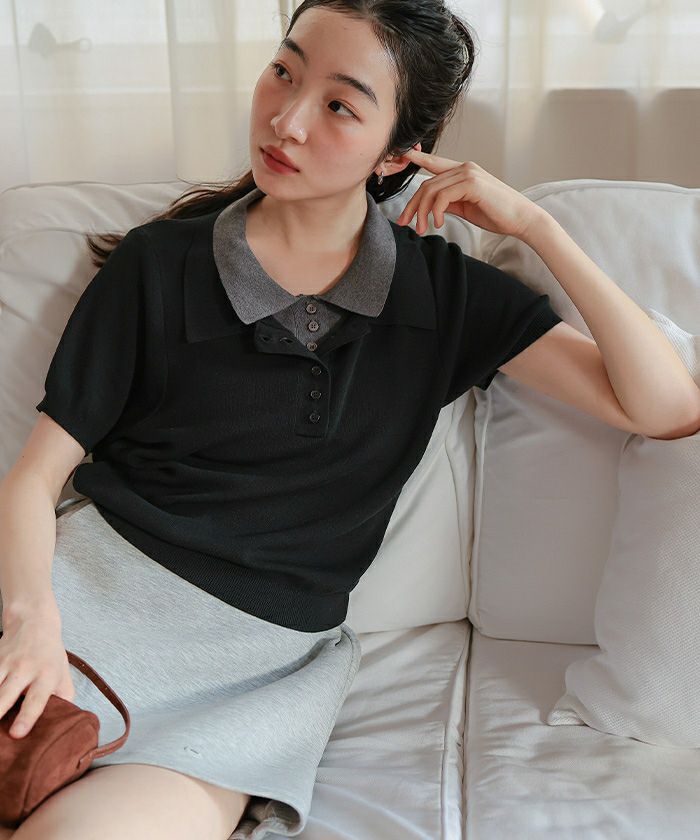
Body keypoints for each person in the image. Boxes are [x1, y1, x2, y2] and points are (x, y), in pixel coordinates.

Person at [0, 2, 562, 838]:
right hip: (76, 602)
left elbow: (666, 408)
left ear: (398, 153)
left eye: (338, 104)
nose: (286, 119)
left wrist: (537, 226)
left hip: (248, 679)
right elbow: (35, 476)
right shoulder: (160, 263)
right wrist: (32, 623)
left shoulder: (445, 297)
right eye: (283, 72)